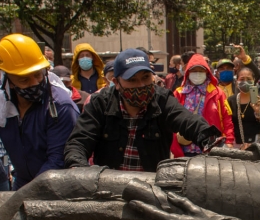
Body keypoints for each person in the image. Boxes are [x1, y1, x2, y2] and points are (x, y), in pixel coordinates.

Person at [0, 34, 79, 190]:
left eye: (38, 74)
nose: (34, 83)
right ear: (7, 78)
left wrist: (25, 195)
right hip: (23, 182)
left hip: (56, 186)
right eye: (24, 79)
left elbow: (57, 161)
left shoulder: (60, 106)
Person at [64, 49, 223, 171]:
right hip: (107, 191)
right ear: (116, 82)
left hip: (150, 192)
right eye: (132, 80)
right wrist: (78, 168)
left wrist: (210, 140)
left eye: (146, 78)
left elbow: (188, 121)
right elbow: (78, 142)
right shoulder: (100, 103)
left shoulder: (162, 100)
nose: (140, 85)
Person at [171, 53, 235, 157]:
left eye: (201, 71)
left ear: (207, 72)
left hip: (212, 149)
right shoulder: (178, 93)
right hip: (184, 150)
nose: (197, 74)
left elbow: (227, 119)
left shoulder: (217, 93)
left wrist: (229, 141)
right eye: (194, 71)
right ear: (188, 72)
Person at [228, 66, 260, 149]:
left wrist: (258, 112)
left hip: (256, 145)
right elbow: (228, 125)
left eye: (249, 79)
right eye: (242, 79)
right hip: (236, 146)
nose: (245, 82)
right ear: (236, 82)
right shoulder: (231, 100)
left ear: (253, 81)